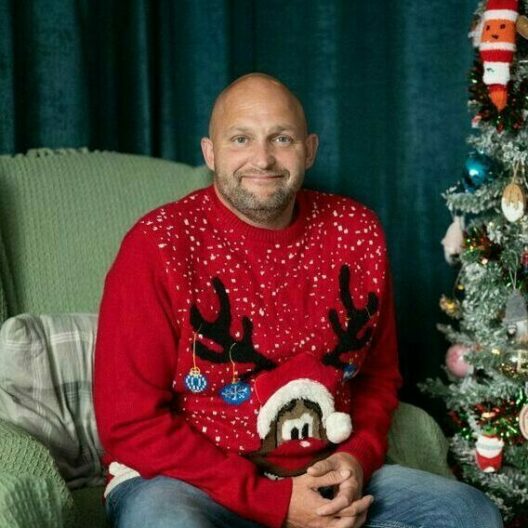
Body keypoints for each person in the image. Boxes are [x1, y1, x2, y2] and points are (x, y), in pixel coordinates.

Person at [93, 73, 503, 528]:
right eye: (241, 138)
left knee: (469, 513)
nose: (262, 158)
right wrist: (274, 503)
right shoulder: (157, 244)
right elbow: (129, 423)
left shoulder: (357, 230)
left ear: (309, 149)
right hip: (186, 483)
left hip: (322, 474)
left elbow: (378, 378)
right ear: (210, 152)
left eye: (281, 138)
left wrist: (355, 460)